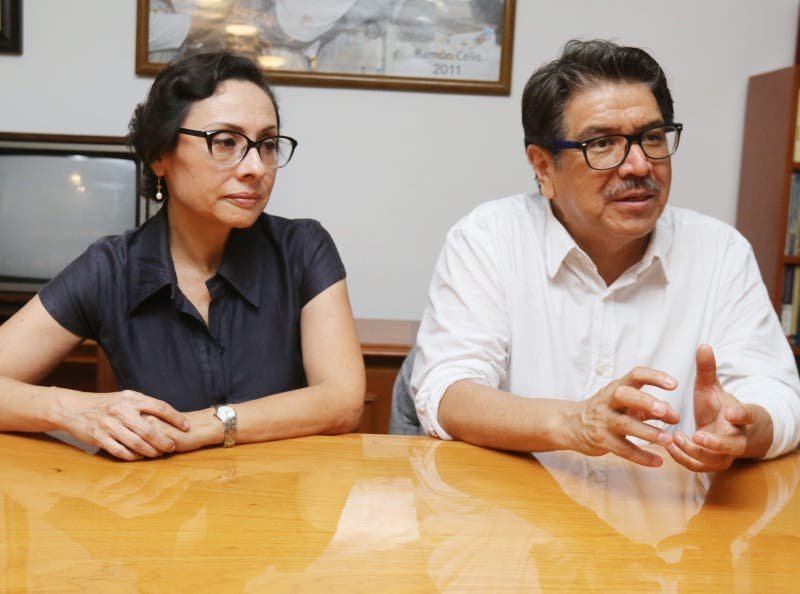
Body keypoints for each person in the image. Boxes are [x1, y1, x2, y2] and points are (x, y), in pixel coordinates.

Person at [411, 39, 800, 472]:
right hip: (517, 509)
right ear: (543, 167)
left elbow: (779, 397)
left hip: (669, 511)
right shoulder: (489, 239)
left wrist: (744, 428)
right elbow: (447, 391)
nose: (639, 165)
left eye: (651, 137)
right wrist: (574, 423)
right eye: (601, 144)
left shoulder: (720, 252)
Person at [0, 51, 365, 460]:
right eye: (225, 142)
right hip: (160, 497)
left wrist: (204, 427)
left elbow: (342, 400)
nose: (257, 167)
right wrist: (73, 409)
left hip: (283, 492)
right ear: (161, 155)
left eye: (266, 144)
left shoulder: (303, 248)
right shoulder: (111, 268)